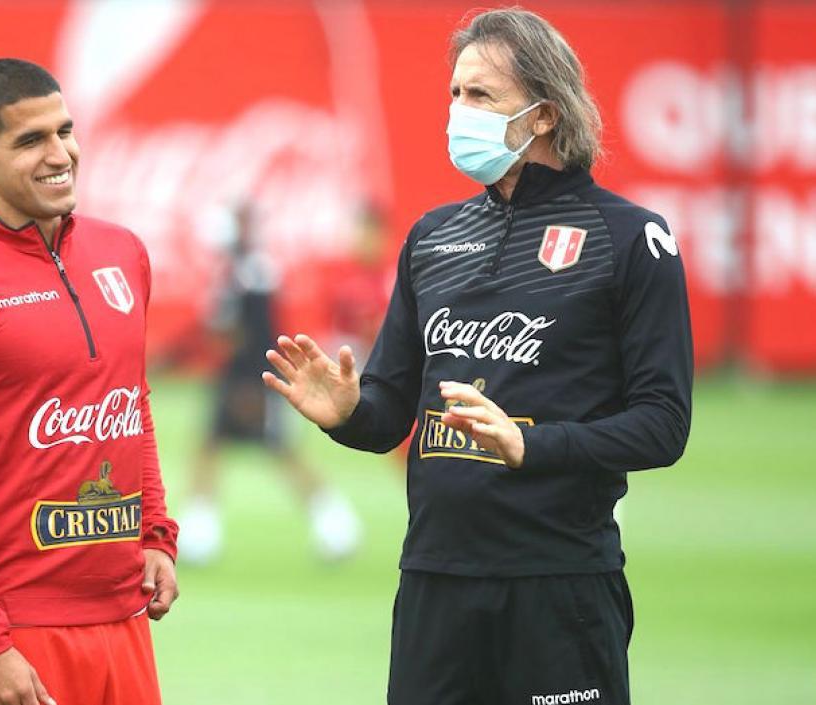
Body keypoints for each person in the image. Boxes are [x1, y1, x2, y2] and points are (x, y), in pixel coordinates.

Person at [263, 8, 692, 705]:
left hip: (558, 583)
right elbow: (387, 413)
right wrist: (344, 414)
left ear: (545, 114)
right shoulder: (432, 238)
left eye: (481, 95)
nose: (458, 111)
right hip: (434, 579)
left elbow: (664, 424)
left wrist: (532, 445)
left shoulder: (630, 238)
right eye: (455, 94)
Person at [0, 58, 179, 705]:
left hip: (125, 620)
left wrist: (155, 533)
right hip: (16, 632)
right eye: (31, 140)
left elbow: (132, 406)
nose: (60, 154)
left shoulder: (124, 253)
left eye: (65, 131)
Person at [177, 201, 359, 565]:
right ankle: (199, 535)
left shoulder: (254, 273)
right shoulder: (234, 273)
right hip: (234, 377)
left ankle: (337, 527)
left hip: (253, 380)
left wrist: (255, 385)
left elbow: (262, 334)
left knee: (282, 450)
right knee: (210, 448)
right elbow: (218, 332)